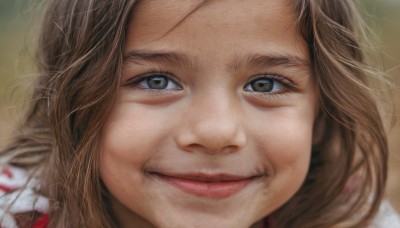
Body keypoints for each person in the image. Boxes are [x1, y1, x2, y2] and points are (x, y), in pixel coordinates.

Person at [0, 0, 399, 227]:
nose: (216, 132)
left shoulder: (349, 218)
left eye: (265, 85)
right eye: (156, 81)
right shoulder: (15, 214)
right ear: (71, 99)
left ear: (323, 112)